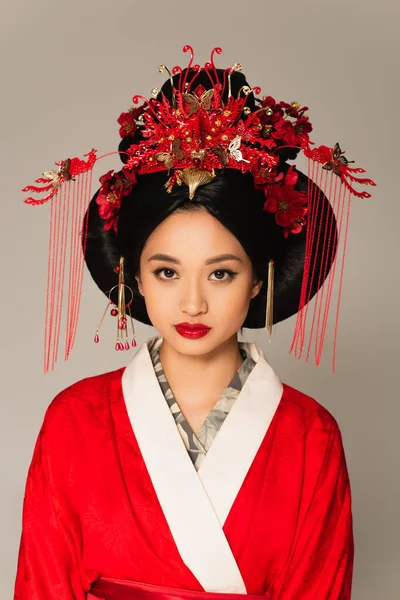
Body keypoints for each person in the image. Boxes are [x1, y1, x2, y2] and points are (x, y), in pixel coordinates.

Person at [14, 46, 375, 599]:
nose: (192, 303)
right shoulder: (73, 420)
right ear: (132, 276)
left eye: (222, 274)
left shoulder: (311, 435)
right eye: (166, 272)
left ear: (260, 280)